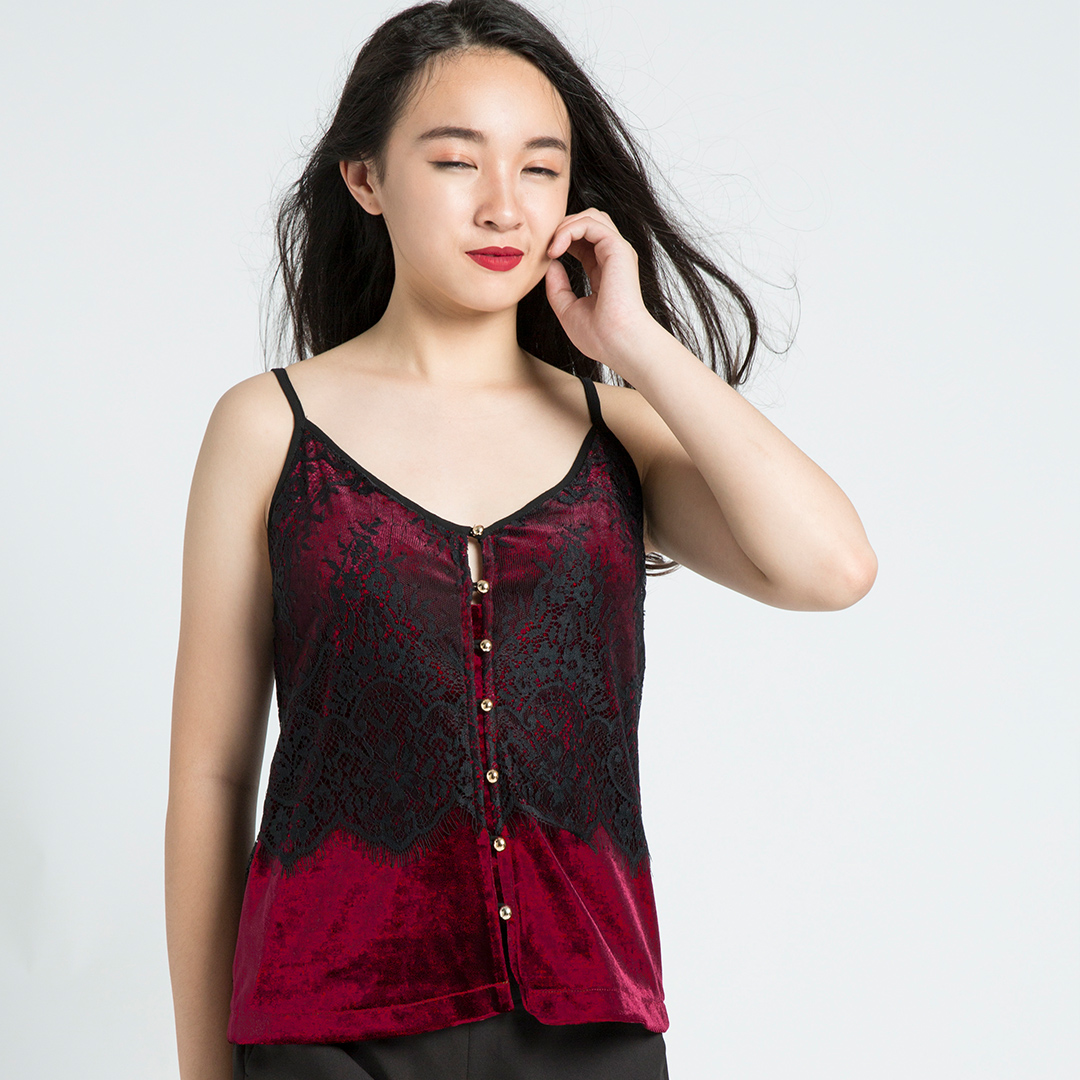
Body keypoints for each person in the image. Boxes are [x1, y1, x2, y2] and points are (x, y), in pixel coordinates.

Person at [164, 1, 878, 1077]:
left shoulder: (616, 431)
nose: (504, 205)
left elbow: (833, 568)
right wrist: (201, 1072)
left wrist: (635, 341)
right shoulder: (270, 427)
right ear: (365, 177)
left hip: (593, 1031)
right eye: (457, 161)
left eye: (541, 169)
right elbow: (213, 776)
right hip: (326, 1033)